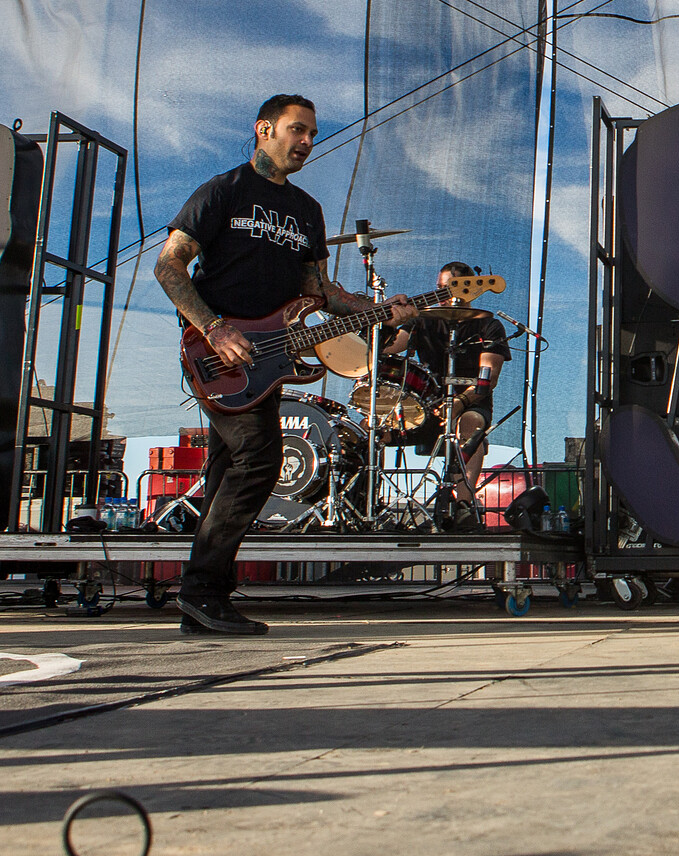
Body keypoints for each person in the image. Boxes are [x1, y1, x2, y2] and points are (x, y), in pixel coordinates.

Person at [155, 94, 417, 635]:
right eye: (297, 130)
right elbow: (170, 265)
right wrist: (214, 327)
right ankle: (202, 591)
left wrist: (380, 310)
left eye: (312, 134)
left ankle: (205, 602)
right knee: (257, 460)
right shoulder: (223, 191)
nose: (306, 142)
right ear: (264, 129)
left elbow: (319, 292)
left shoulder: (307, 211)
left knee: (231, 468)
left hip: (271, 359)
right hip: (219, 351)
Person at [388, 261, 510, 529]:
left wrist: (459, 402)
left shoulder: (489, 326)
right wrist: (384, 320)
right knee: (373, 428)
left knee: (470, 425)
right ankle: (363, 504)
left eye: (449, 288)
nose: (442, 294)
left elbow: (488, 378)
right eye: (439, 288)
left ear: (469, 290)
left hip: (470, 401)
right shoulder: (421, 320)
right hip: (423, 400)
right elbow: (392, 347)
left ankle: (463, 506)